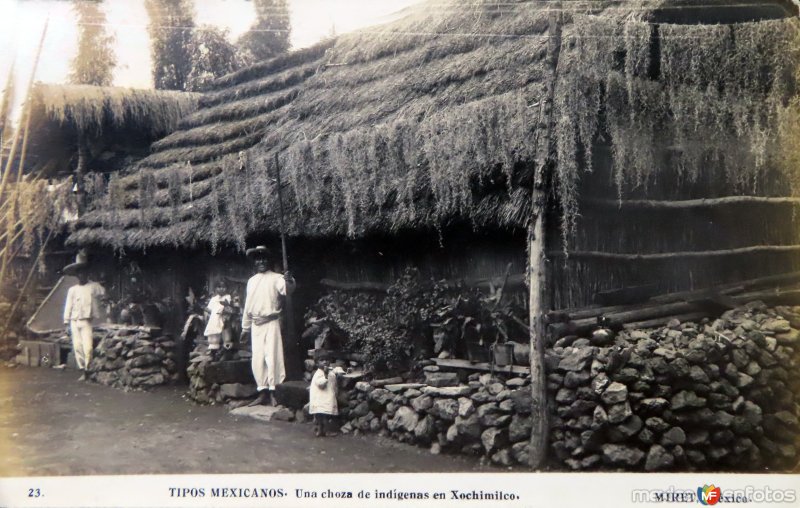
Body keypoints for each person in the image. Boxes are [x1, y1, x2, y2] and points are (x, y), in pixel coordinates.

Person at [239, 245, 295, 406]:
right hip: (256, 325)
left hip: (271, 323)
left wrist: (289, 280)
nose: (261, 261)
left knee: (272, 356)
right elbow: (248, 306)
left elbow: (287, 290)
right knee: (258, 358)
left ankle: (273, 392)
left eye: (264, 258)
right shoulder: (251, 281)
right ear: (254, 262)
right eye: (258, 259)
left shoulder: (277, 278)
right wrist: (245, 328)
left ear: (269, 260)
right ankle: (262, 391)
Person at [63, 251, 105, 381]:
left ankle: (88, 370)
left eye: (84, 272)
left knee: (88, 347)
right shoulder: (72, 290)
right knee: (77, 347)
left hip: (86, 321)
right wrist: (66, 322)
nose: (82, 275)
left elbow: (104, 294)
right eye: (79, 273)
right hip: (74, 321)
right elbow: (68, 306)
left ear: (87, 273)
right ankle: (83, 369)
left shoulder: (94, 286)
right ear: (77, 275)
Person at [308, 359, 345, 437]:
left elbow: (333, 376)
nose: (325, 362)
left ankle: (321, 430)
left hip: (327, 396)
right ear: (317, 363)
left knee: (325, 415)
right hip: (320, 398)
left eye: (326, 360)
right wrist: (325, 375)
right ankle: (326, 430)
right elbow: (321, 384)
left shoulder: (330, 371)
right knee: (323, 416)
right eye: (322, 360)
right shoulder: (318, 373)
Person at [203, 281, 232, 361]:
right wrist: (206, 310)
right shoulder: (213, 299)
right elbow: (209, 309)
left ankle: (226, 353)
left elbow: (229, 308)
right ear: (216, 288)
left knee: (226, 337)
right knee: (214, 337)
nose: (221, 289)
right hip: (214, 319)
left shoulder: (228, 297)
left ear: (227, 288)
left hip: (224, 319)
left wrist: (226, 312)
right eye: (219, 287)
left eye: (223, 287)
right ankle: (213, 354)